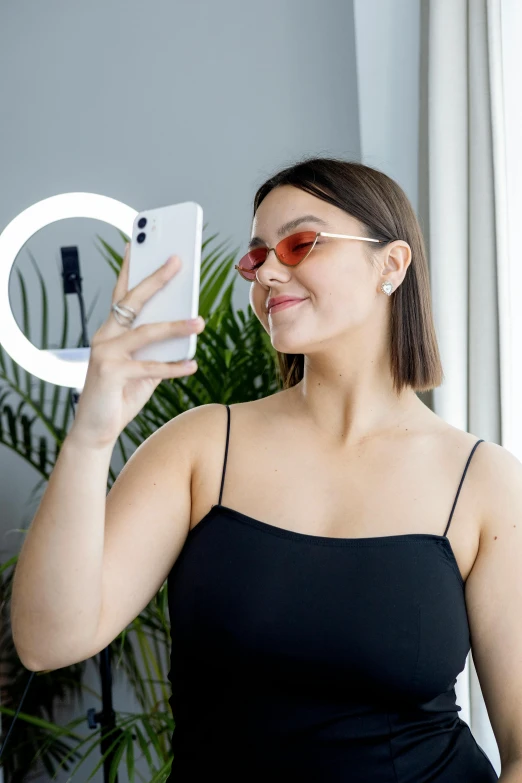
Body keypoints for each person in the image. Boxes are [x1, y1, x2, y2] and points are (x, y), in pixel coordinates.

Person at [11, 157, 508, 781]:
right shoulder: (198, 448)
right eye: (255, 258)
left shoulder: (485, 481)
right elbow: (47, 639)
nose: (269, 270)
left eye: (300, 244)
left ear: (392, 265)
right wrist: (90, 436)